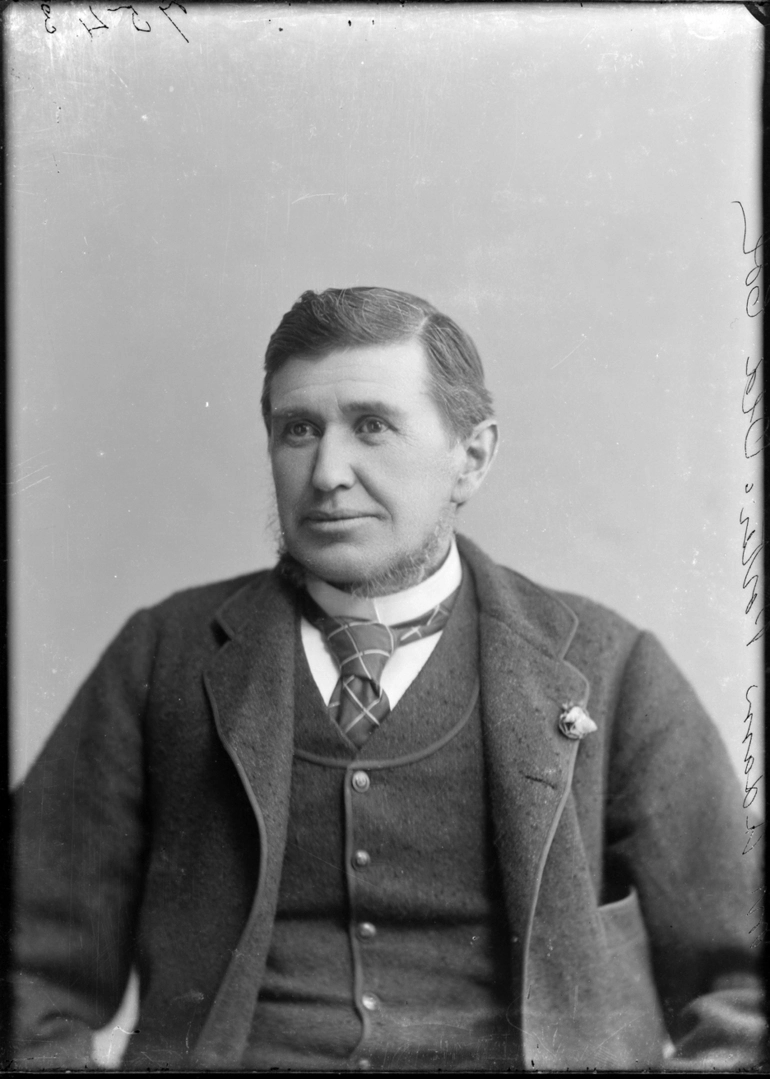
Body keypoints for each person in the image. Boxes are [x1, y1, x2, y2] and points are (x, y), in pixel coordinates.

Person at [14, 288, 764, 1071]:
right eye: (299, 429)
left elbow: (746, 989)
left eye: (371, 425)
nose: (327, 472)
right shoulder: (163, 655)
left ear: (472, 456)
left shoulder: (611, 667)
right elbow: (25, 971)